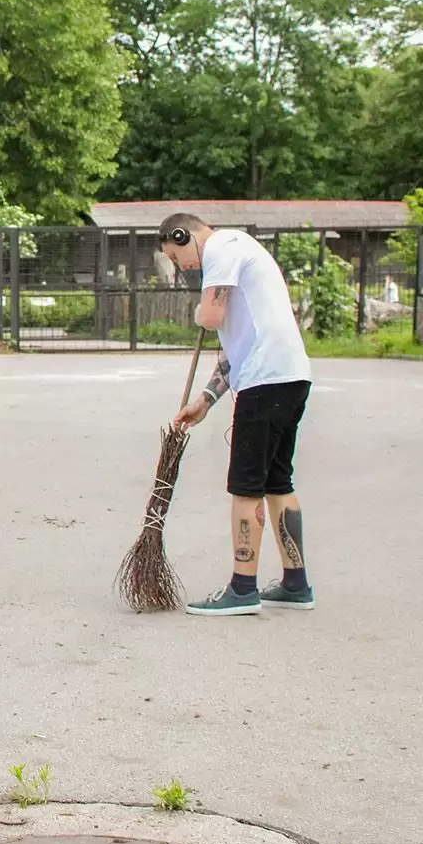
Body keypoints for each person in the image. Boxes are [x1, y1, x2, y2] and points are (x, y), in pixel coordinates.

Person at [158, 214, 314, 617]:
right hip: (290, 377)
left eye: (177, 256)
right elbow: (233, 353)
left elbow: (210, 318)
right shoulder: (238, 252)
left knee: (246, 485)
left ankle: (243, 588)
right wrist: (205, 400)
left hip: (266, 383)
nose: (182, 267)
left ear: (183, 235)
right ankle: (296, 583)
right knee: (278, 479)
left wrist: (199, 310)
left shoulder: (222, 249)